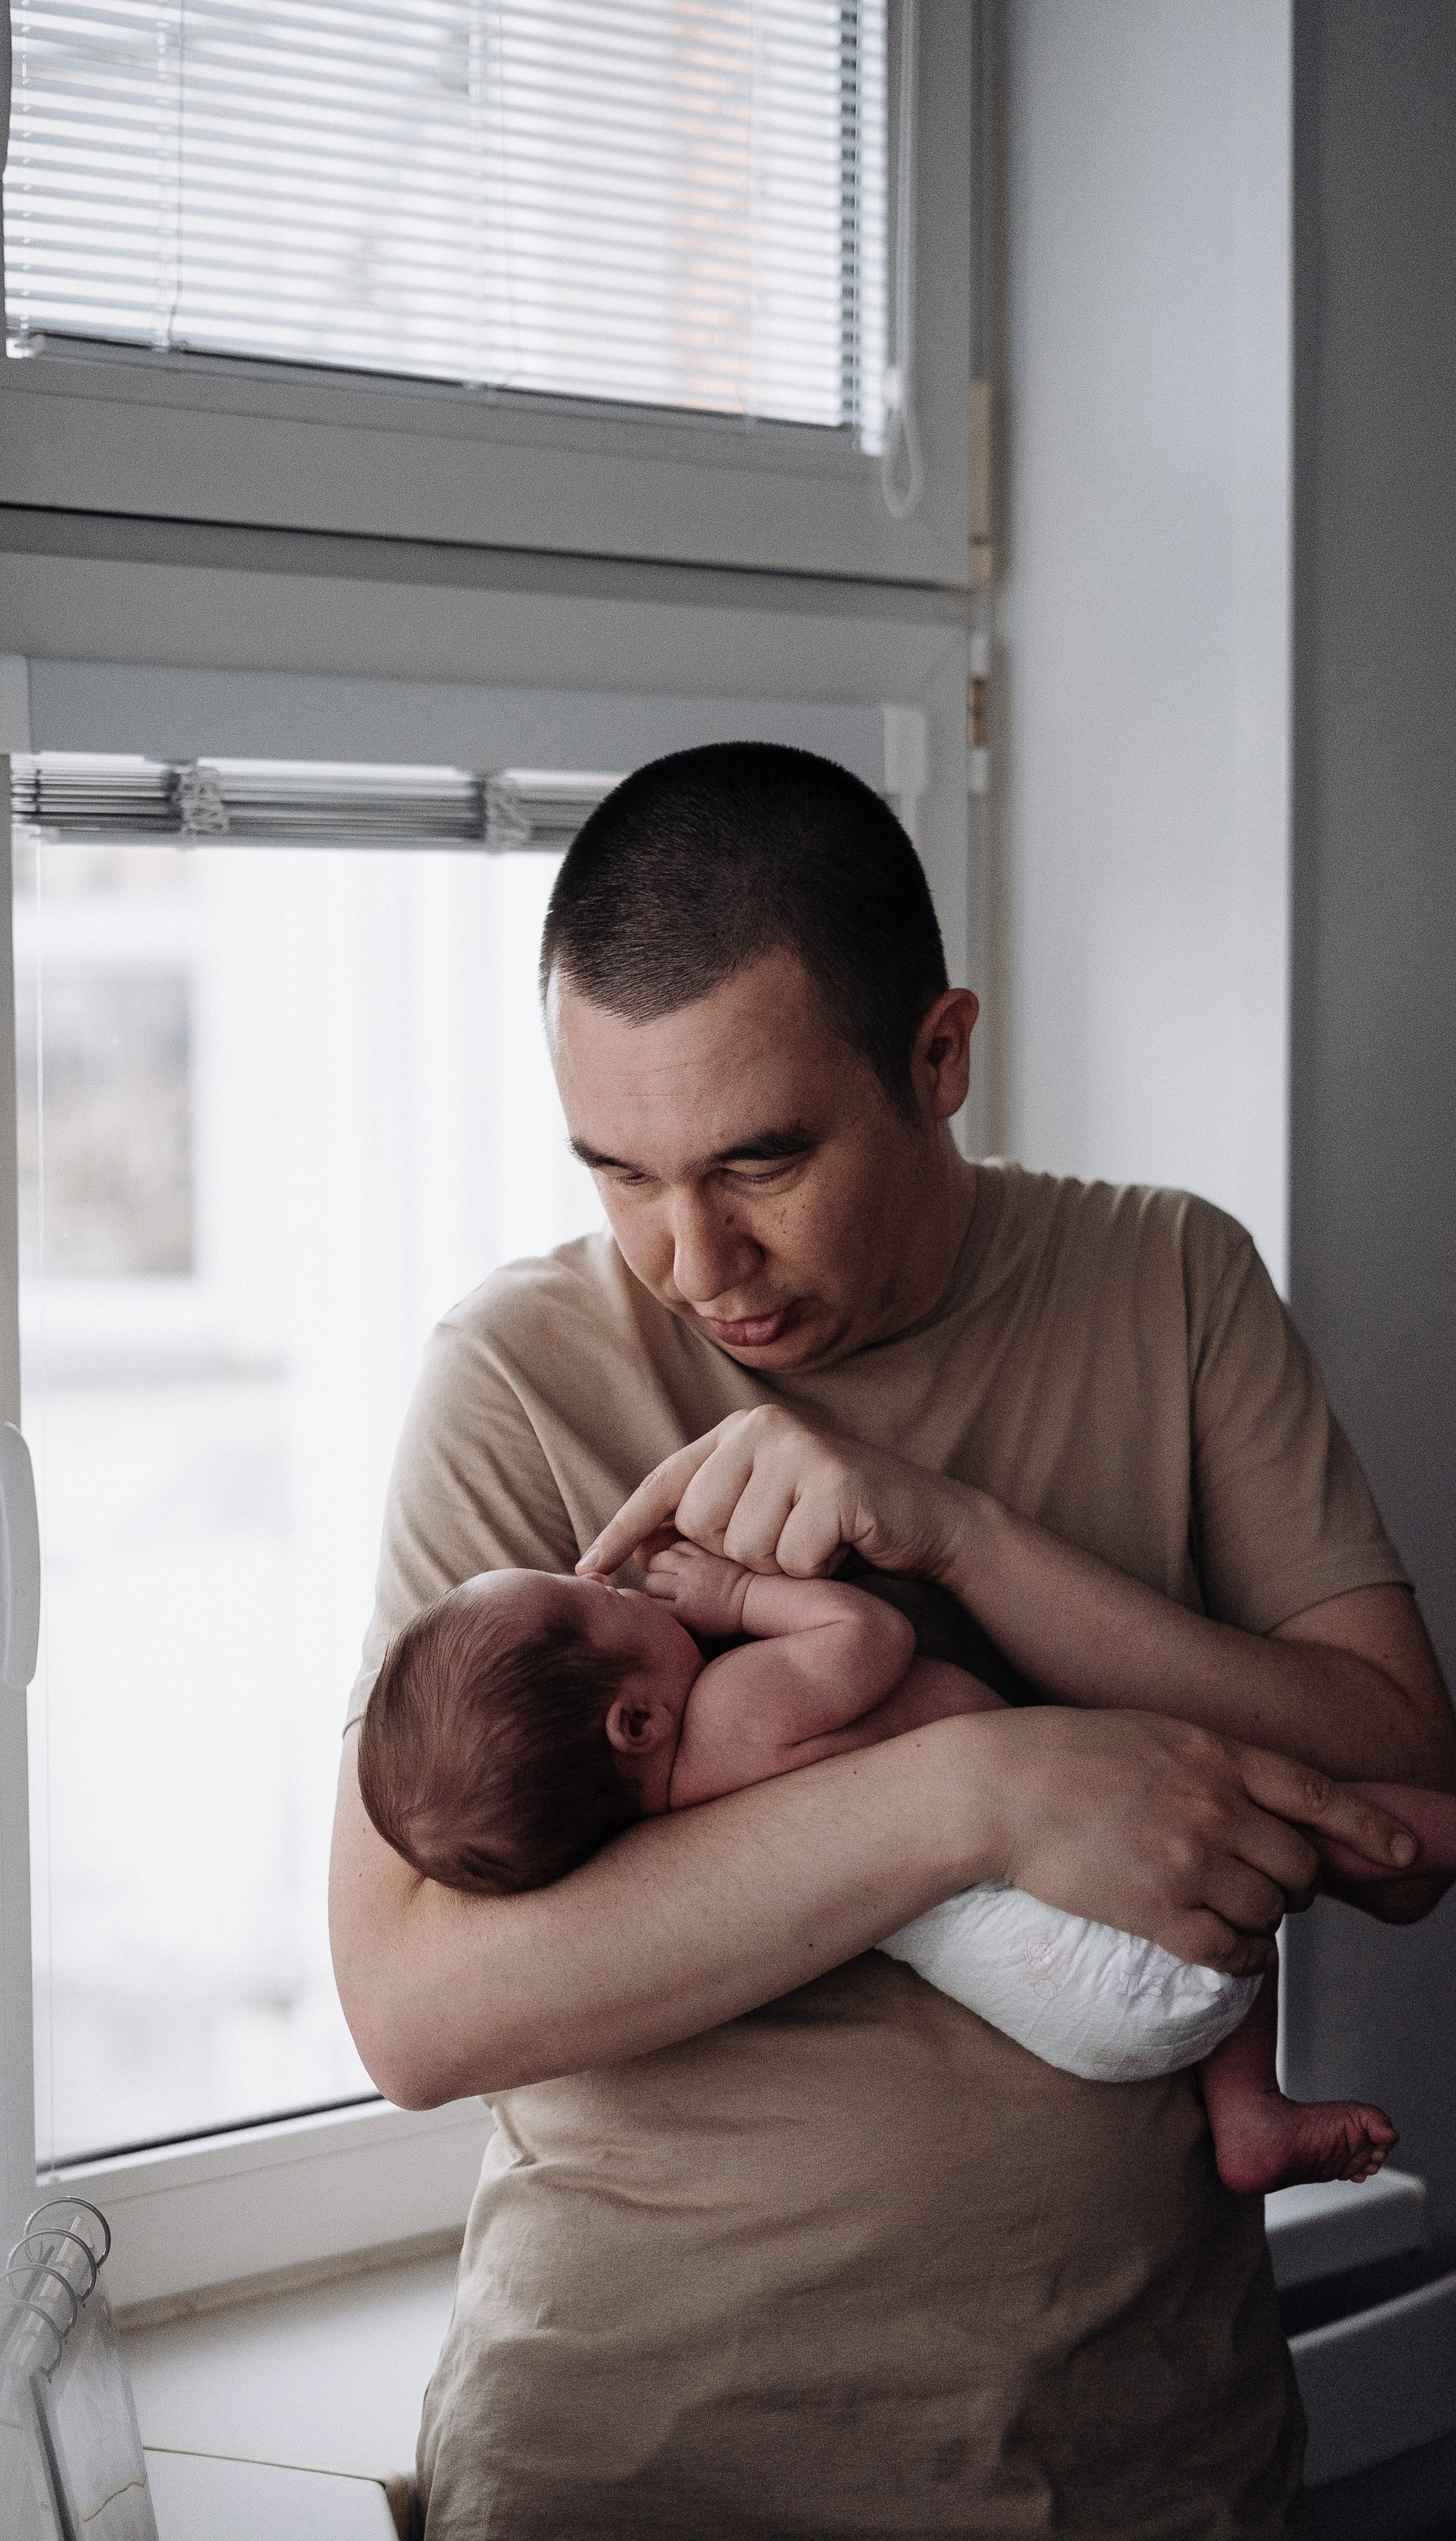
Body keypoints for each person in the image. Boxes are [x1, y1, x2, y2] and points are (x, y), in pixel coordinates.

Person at [330, 744, 1456, 2539]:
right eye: (621, 1173)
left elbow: (1405, 1806)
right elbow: (415, 2011)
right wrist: (976, 1795)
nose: (692, 1261)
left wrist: (969, 1540)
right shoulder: (515, 1375)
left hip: (1133, 2465)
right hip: (625, 2468)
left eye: (760, 1161)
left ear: (939, 1057)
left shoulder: (1170, 1284)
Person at [360, 1543, 1456, 2191]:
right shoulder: (732, 1710)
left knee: (1237, 1911)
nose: (619, 1585)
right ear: (638, 1720)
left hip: (1067, 2005)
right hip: (1077, 1927)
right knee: (1297, 1824)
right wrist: (738, 1596)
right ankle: (1261, 2085)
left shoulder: (653, 1827)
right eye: (595, 1603)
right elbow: (866, 1640)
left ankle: (1250, 2121)